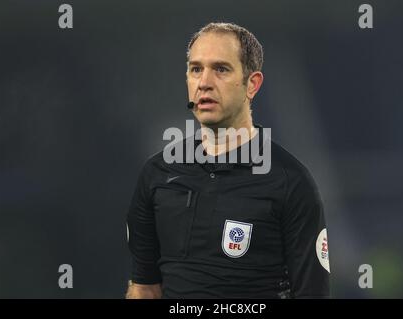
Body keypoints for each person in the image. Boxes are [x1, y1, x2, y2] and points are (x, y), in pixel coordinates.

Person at [126, 22, 330, 299]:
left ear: (252, 84)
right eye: (196, 69)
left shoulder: (290, 181)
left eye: (221, 69)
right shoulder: (157, 174)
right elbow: (144, 289)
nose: (204, 83)